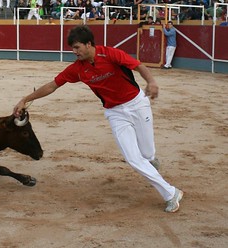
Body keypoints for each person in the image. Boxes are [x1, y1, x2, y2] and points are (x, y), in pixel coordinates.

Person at [13, 25, 183, 213]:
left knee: (147, 155)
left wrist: (151, 82)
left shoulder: (110, 54)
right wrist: (25, 99)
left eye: (77, 47)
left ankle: (150, 161)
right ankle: (171, 193)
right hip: (115, 113)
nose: (74, 51)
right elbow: (52, 86)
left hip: (137, 104)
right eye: (72, 48)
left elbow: (138, 65)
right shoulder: (77, 69)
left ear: (89, 44)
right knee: (133, 158)